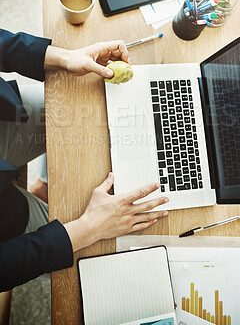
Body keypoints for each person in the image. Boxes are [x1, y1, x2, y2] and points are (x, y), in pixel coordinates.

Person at [0, 29, 169, 292]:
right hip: (5, 216)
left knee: (77, 107)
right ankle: (36, 196)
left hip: (2, 117)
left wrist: (63, 57)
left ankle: (42, 185)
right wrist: (88, 228)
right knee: (97, 256)